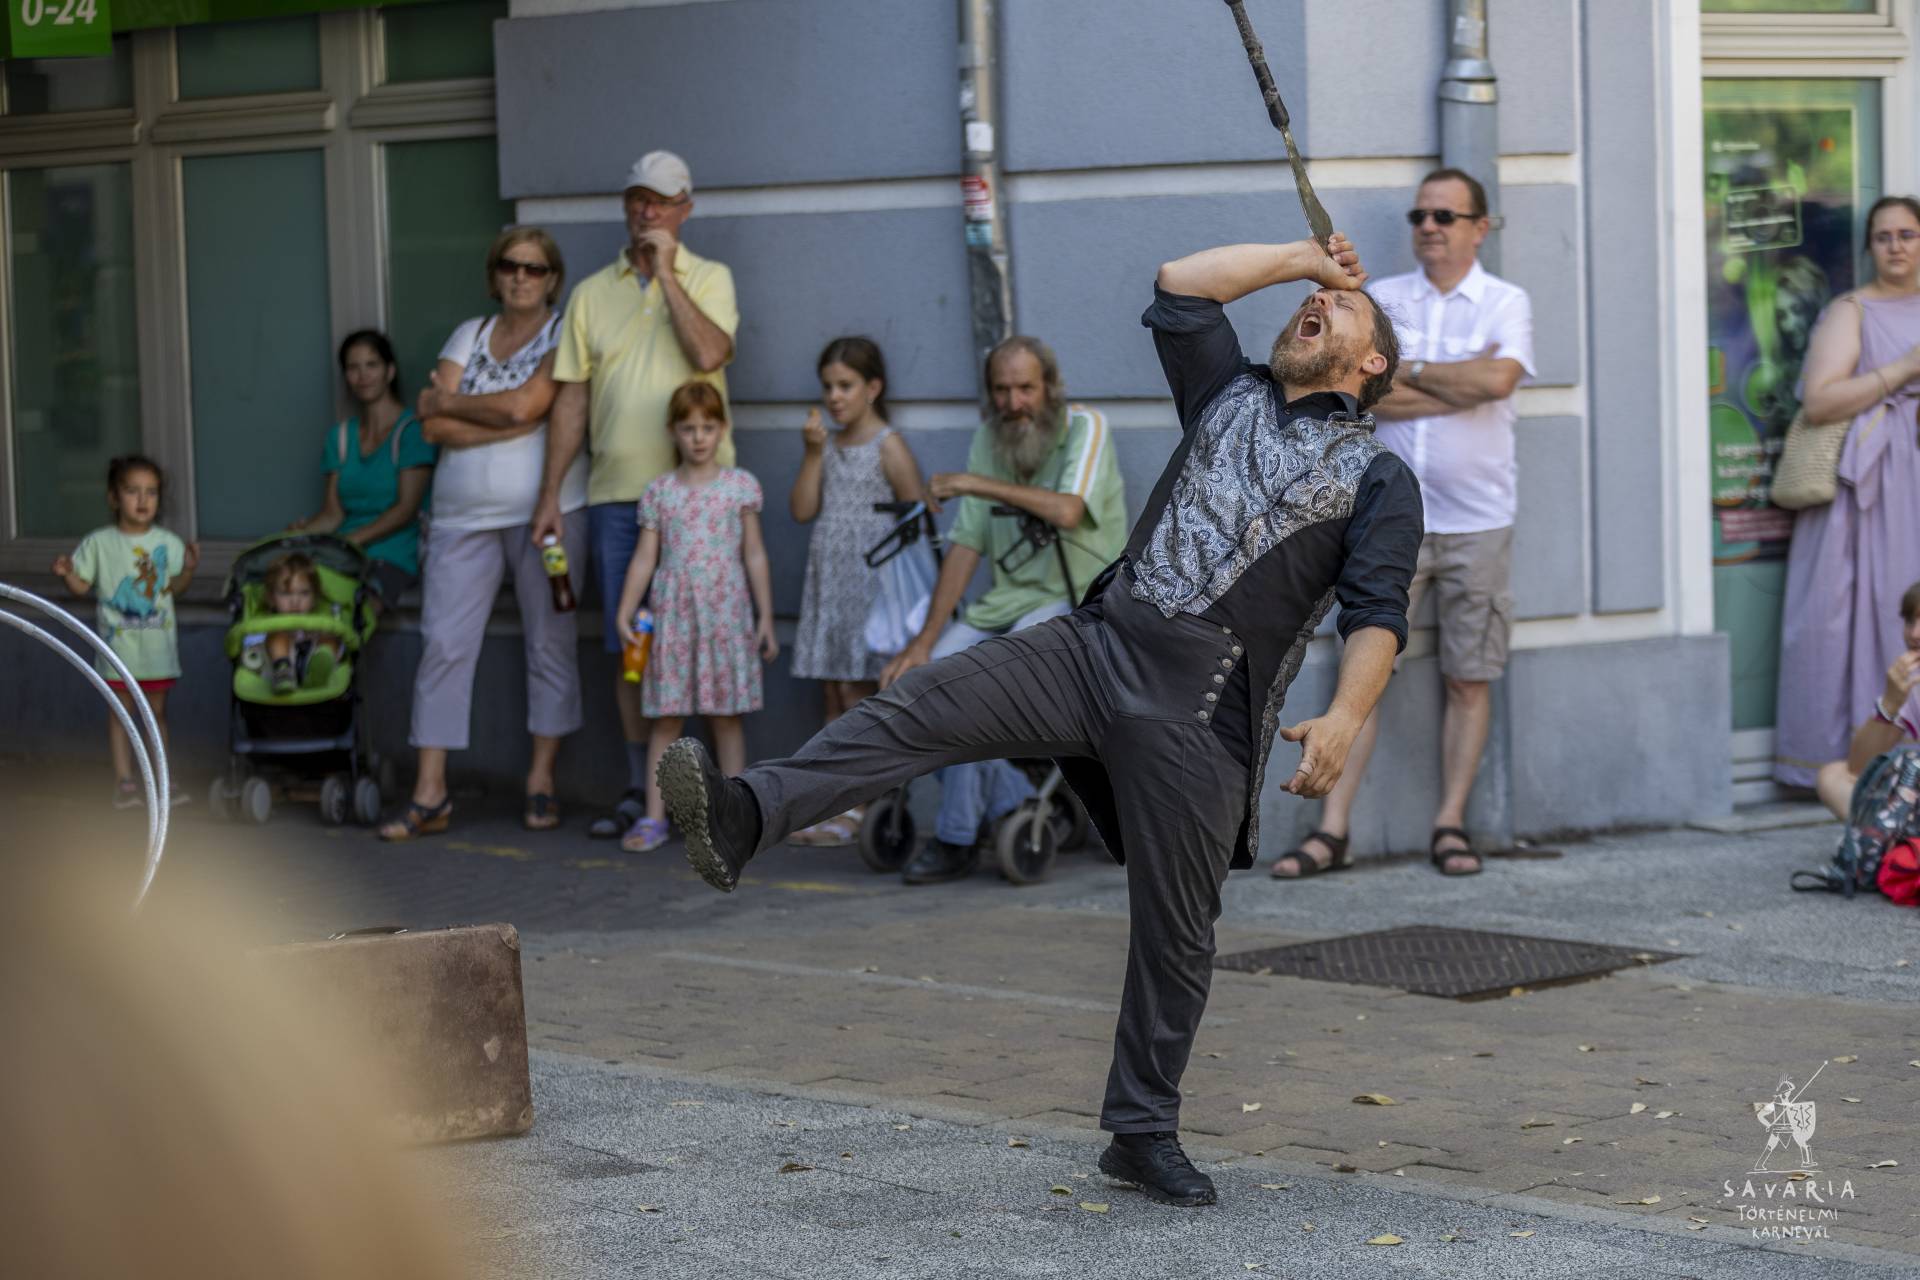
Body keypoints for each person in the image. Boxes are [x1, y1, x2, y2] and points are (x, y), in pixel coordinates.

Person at [657, 232, 1421, 1208]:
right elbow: (1180, 285)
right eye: (1311, 297)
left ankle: (1141, 1131)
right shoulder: (1228, 389)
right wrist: (1303, 259)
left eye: (1341, 307)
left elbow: (1377, 616)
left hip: (1200, 712)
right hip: (1096, 645)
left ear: (1371, 364)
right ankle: (746, 814)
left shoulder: (1380, 478)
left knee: (1176, 932)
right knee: (921, 705)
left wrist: (1346, 715)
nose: (1315, 303)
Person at [1278, 168, 1532, 879]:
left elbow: (1499, 381)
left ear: (1479, 227)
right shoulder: (1382, 299)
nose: (1429, 227)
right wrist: (1451, 382)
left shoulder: (1506, 302)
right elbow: (1367, 392)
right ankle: (1332, 831)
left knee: (1469, 677)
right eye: (1421, 215)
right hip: (1389, 522)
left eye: (1445, 216)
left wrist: (1408, 372)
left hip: (1480, 521)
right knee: (1363, 676)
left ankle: (1449, 825)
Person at [530, 149, 740, 840]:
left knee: (706, 642)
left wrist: (668, 275)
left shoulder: (711, 278)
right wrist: (550, 493)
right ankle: (640, 789)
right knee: (634, 650)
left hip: (701, 499)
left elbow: (708, 354)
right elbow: (571, 400)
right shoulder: (593, 292)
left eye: (661, 200)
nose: (646, 210)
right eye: (636, 199)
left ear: (686, 209)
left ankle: (713, 798)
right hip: (618, 499)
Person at [875, 336, 1128, 884]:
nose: (1014, 403)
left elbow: (1068, 510)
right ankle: (1011, 798)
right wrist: (922, 643)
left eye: (1026, 388)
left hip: (1077, 604)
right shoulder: (989, 438)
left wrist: (974, 484)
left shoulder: (1085, 427)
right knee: (920, 682)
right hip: (1005, 605)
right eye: (1002, 390)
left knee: (974, 693)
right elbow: (966, 545)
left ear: (1051, 387)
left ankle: (956, 837)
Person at [380, 228, 588, 842]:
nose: (521, 276)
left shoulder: (564, 334)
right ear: (494, 275)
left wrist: (461, 406)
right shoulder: (467, 335)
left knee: (550, 644)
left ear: (552, 279)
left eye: (534, 268)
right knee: (443, 645)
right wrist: (514, 417)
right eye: (509, 265)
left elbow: (517, 406)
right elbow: (433, 426)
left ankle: (541, 780)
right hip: (459, 518)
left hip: (547, 515)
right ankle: (430, 792)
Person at [1776, 195, 1920, 788]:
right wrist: (1903, 370)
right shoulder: (1851, 311)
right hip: (1873, 489)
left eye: (1907, 234)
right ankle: (1857, 765)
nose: (1896, 246)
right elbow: (1819, 402)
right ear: (1869, 246)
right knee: (1864, 613)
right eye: (1884, 236)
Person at [612, 382, 776, 854]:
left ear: (722, 429)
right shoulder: (660, 492)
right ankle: (654, 816)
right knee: (666, 719)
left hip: (725, 616)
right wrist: (626, 609)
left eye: (707, 427)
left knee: (725, 718)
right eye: (688, 428)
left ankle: (734, 818)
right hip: (674, 618)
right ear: (673, 431)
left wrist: (766, 615)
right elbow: (645, 558)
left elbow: (755, 554)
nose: (699, 437)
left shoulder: (740, 487)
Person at [787, 337, 926, 847]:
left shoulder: (888, 445)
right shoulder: (826, 445)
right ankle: (832, 798)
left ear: (873, 387)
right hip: (830, 583)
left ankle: (860, 804)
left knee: (858, 697)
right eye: (827, 387)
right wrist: (811, 453)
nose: (834, 397)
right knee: (832, 692)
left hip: (871, 588)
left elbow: (915, 518)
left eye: (845, 386)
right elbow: (802, 509)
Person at [50, 454, 200, 808]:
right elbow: (81, 586)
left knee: (156, 715)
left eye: (151, 492)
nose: (143, 500)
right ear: (114, 497)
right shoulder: (99, 542)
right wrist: (67, 573)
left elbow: (174, 588)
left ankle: (162, 780)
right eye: (133, 491)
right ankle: (125, 781)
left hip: (156, 650)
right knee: (122, 714)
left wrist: (189, 570)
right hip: (118, 650)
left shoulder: (167, 542)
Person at [290, 330, 437, 612]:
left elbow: (405, 510)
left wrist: (350, 541)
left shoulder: (411, 430)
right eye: (353, 368)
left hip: (392, 554)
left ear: (389, 371)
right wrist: (300, 534)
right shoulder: (341, 437)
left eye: (372, 365)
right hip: (342, 554)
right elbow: (333, 514)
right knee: (294, 597)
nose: (363, 375)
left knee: (352, 615)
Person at [1813, 581, 1920, 819]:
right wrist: (1891, 702)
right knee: (1833, 776)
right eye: (1910, 621)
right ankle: (1894, 836)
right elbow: (1858, 768)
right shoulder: (1913, 686)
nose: (1914, 634)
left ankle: (1891, 835)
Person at [258, 553, 344, 695]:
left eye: (304, 593)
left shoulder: (320, 622)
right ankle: (283, 671)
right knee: (277, 635)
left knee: (330, 637)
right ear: (272, 598)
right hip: (275, 668)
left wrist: (321, 635)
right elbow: (251, 645)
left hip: (313, 659)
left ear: (315, 597)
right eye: (286, 594)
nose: (295, 601)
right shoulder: (264, 623)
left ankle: (319, 671)